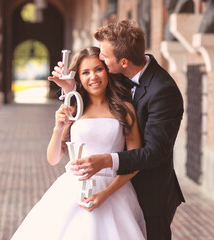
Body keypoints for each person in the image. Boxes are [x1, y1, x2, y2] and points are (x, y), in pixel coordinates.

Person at [51, 20, 185, 240]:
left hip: (149, 193)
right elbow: (94, 85)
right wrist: (69, 89)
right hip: (108, 187)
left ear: (123, 61)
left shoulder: (164, 91)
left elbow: (155, 153)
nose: (100, 58)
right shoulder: (118, 70)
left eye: (104, 56)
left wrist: (106, 160)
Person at [11, 47, 147, 240]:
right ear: (79, 77)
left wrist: (105, 194)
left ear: (107, 70)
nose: (93, 77)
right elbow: (53, 159)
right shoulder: (74, 107)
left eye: (98, 69)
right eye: (85, 72)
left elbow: (134, 162)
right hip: (73, 189)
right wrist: (58, 128)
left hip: (114, 192)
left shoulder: (125, 109)